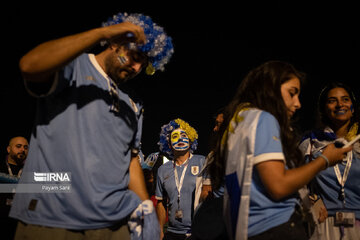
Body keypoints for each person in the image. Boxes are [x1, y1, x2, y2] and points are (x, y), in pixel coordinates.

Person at [9, 12, 174, 240]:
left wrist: (145, 205)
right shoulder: (73, 67)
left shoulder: (133, 102)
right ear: (115, 44)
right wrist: (102, 33)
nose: (137, 68)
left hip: (114, 223)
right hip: (54, 219)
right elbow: (29, 65)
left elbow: (130, 158)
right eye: (135, 56)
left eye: (144, 64)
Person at [208, 61, 352, 240]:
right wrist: (325, 160)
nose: (298, 103)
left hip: (248, 228)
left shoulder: (241, 120)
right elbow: (278, 185)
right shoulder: (263, 119)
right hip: (276, 227)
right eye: (292, 93)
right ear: (271, 88)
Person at [299, 82, 360, 240]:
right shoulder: (311, 143)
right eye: (332, 100)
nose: (340, 104)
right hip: (323, 225)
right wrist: (312, 200)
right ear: (324, 110)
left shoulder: (359, 144)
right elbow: (295, 180)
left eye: (345, 99)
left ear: (353, 108)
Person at [155, 118, 205, 240]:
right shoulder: (162, 170)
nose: (180, 139)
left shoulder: (202, 162)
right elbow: (160, 203)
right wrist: (160, 230)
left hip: (198, 231)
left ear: (190, 139)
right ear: (169, 143)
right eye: (175, 136)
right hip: (172, 233)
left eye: (184, 135)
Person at [0, 136, 28, 240]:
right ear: (9, 149)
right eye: (18, 146)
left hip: (21, 223)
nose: (22, 150)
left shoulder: (32, 170)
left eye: (26, 147)